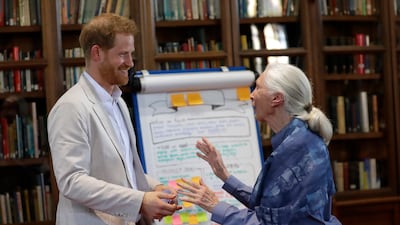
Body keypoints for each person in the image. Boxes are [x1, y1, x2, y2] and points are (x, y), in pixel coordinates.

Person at [47, 13, 181, 225]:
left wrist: (154, 188)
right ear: (97, 53)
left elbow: (122, 172)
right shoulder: (70, 107)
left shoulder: (118, 101)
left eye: (131, 54)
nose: (129, 63)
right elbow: (72, 181)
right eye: (122, 54)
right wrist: (141, 200)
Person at [177, 63, 342, 225]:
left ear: (276, 98)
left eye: (258, 88)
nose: (251, 95)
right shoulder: (302, 139)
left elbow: (269, 222)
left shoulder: (294, 149)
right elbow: (272, 208)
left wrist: (215, 206)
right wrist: (225, 176)